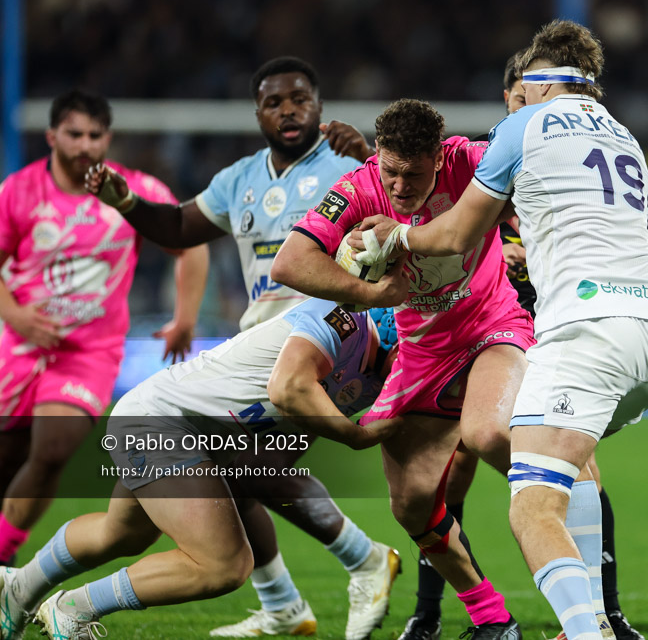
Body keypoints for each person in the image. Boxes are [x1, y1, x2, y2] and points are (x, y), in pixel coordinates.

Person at [349, 20, 648, 640]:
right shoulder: (625, 135)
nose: (512, 101)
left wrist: (394, 237)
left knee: (531, 504)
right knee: (559, 460)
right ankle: (599, 619)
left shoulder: (523, 127)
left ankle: (590, 632)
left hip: (586, 331)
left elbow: (451, 234)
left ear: (537, 84)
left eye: (519, 91)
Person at [84, 56, 396, 639]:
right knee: (229, 473)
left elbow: (402, 208)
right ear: (256, 111)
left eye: (299, 98)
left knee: (251, 467)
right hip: (253, 347)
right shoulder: (239, 179)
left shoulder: (346, 164)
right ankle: (284, 601)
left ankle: (362, 559)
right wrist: (127, 203)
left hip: (326, 345)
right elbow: (179, 229)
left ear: (320, 106)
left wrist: (372, 157)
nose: (288, 110)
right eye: (275, 101)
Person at [270, 99, 534, 640]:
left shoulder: (473, 161)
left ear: (439, 157)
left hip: (493, 326)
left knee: (489, 435)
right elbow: (289, 262)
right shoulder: (360, 184)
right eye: (390, 170)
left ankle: (585, 592)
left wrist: (528, 237)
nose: (399, 186)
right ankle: (493, 622)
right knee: (412, 504)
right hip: (422, 351)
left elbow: (541, 187)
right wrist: (371, 292)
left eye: (412, 174)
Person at [0, 299, 400, 640]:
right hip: (164, 423)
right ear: (394, 329)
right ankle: (72, 608)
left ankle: (19, 588)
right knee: (224, 564)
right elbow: (289, 389)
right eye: (420, 344)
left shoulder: (379, 373)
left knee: (121, 533)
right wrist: (356, 437)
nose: (426, 357)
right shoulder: (341, 318)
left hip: (182, 430)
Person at [0, 89, 208, 569]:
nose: (85, 145)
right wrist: (17, 317)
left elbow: (190, 243)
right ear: (52, 136)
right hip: (20, 346)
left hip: (89, 354)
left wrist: (185, 318)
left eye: (95, 135)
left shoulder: (133, 192)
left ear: (107, 138)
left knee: (51, 450)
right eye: (74, 134)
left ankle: (4, 555)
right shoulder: (20, 191)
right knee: (9, 455)